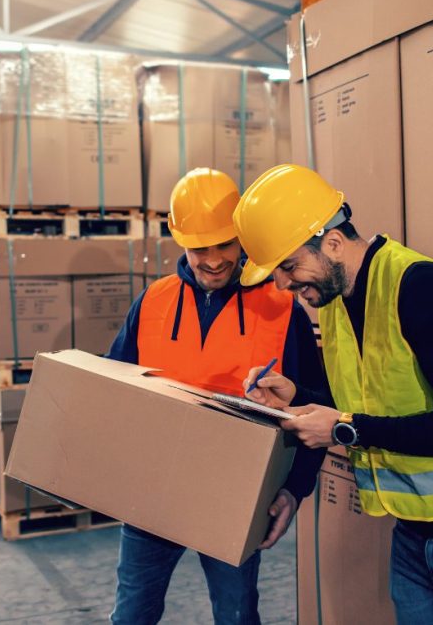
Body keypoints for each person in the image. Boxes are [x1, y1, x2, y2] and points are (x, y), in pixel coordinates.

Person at [234, 164, 433, 624]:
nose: (284, 284)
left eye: (288, 266)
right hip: (411, 539)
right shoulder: (335, 300)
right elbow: (369, 399)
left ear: (331, 242)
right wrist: (296, 396)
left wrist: (346, 430)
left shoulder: (423, 288)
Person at [107, 168, 330, 624]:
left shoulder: (281, 306)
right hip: (152, 493)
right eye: (198, 247)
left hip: (237, 496)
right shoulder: (154, 302)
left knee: (237, 614)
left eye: (223, 245)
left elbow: (316, 404)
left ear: (241, 240)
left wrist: (294, 488)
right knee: (131, 614)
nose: (211, 260)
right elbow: (111, 388)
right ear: (180, 242)